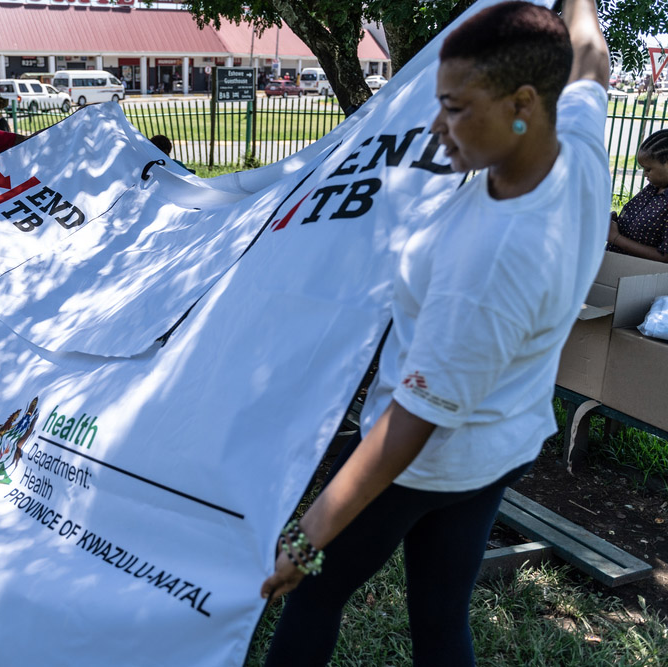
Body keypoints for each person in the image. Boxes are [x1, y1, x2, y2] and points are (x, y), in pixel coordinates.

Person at [260, 1, 611, 665]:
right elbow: (591, 58)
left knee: (313, 593)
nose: (438, 127)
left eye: (455, 107)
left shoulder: (493, 255)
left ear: (524, 102)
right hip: (497, 446)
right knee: (441, 615)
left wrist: (308, 535)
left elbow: (413, 419)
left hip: (423, 462)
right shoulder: (578, 141)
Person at [607, 130, 668, 262]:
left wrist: (616, 238)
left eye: (648, 169)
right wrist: (617, 222)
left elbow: (665, 257)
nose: (645, 174)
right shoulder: (653, 188)